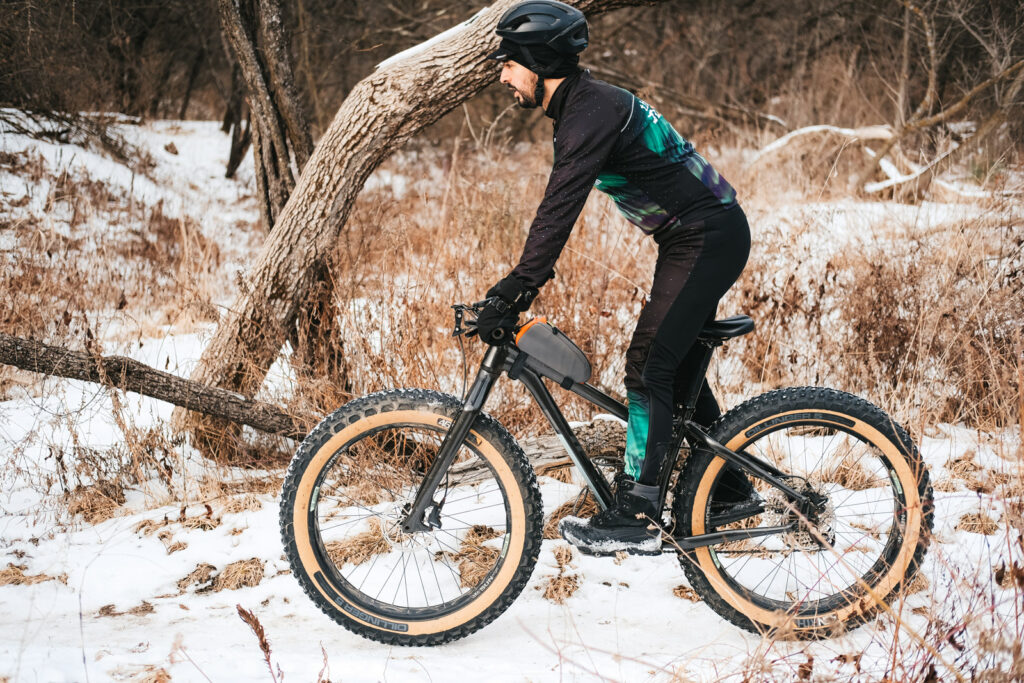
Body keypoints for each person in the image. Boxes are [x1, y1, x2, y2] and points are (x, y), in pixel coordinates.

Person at [476, 0, 754, 555]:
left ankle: (639, 512)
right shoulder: (585, 106)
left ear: (536, 60)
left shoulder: (588, 114)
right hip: (698, 235)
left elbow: (559, 209)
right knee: (671, 373)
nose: (502, 75)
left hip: (706, 236)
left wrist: (517, 286)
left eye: (508, 62)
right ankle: (728, 493)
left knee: (650, 363)